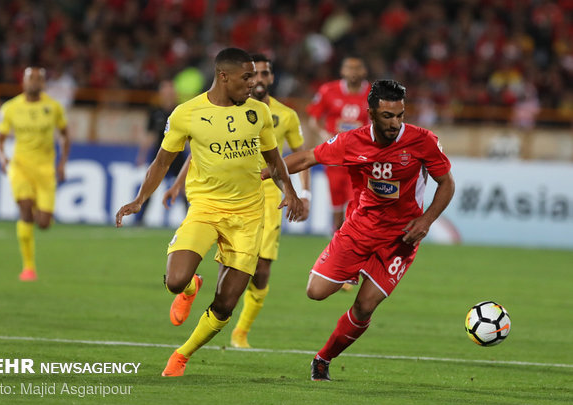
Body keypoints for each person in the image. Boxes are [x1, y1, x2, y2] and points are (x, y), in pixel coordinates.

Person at [115, 47, 303, 377]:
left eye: (256, 76)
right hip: (205, 209)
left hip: (248, 216)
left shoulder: (258, 113)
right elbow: (162, 161)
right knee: (175, 281)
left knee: (226, 303)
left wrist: (291, 191)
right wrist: (141, 199)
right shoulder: (187, 113)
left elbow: (275, 159)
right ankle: (190, 287)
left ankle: (182, 354)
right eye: (247, 77)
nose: (253, 84)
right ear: (223, 76)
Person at [270, 80, 455, 381]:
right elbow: (306, 158)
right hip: (359, 230)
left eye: (400, 115)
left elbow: (447, 183)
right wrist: (262, 173)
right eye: (387, 116)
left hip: (401, 239)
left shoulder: (423, 141)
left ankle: (323, 359)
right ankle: (352, 270)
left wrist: (426, 221)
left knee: (365, 306)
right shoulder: (351, 141)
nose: (395, 123)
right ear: (371, 113)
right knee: (315, 292)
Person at [162, 53, 312, 349]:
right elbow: (201, 149)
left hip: (266, 197)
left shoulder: (284, 115)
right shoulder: (212, 110)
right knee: (214, 272)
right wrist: (178, 182)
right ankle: (194, 290)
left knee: (262, 270)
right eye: (252, 75)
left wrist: (299, 193)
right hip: (218, 196)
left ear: (270, 78)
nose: (259, 80)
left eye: (265, 74)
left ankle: (240, 331)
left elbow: (296, 156)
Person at [0, 67, 70, 281]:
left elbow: (65, 136)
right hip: (20, 167)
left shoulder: (53, 107)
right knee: (25, 209)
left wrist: (62, 162)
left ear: (44, 84)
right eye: (31, 78)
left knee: (43, 224)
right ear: (23, 82)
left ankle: (42, 211)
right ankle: (28, 268)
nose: (34, 82)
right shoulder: (10, 108)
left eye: (39, 79)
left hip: (45, 170)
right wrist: (2, 157)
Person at [307, 55, 371, 231]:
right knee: (335, 199)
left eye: (357, 68)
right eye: (349, 68)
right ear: (342, 71)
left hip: (359, 158)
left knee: (355, 201)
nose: (353, 72)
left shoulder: (373, 93)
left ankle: (352, 237)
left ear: (364, 71)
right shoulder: (328, 90)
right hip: (335, 156)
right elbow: (314, 119)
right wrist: (324, 135)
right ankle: (337, 235)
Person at [135, 80, 186, 223]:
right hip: (159, 155)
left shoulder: (181, 110)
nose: (168, 94)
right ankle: (140, 219)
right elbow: (149, 134)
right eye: (165, 90)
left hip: (177, 154)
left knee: (182, 187)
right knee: (150, 185)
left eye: (170, 90)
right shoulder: (155, 112)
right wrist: (142, 155)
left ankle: (189, 218)